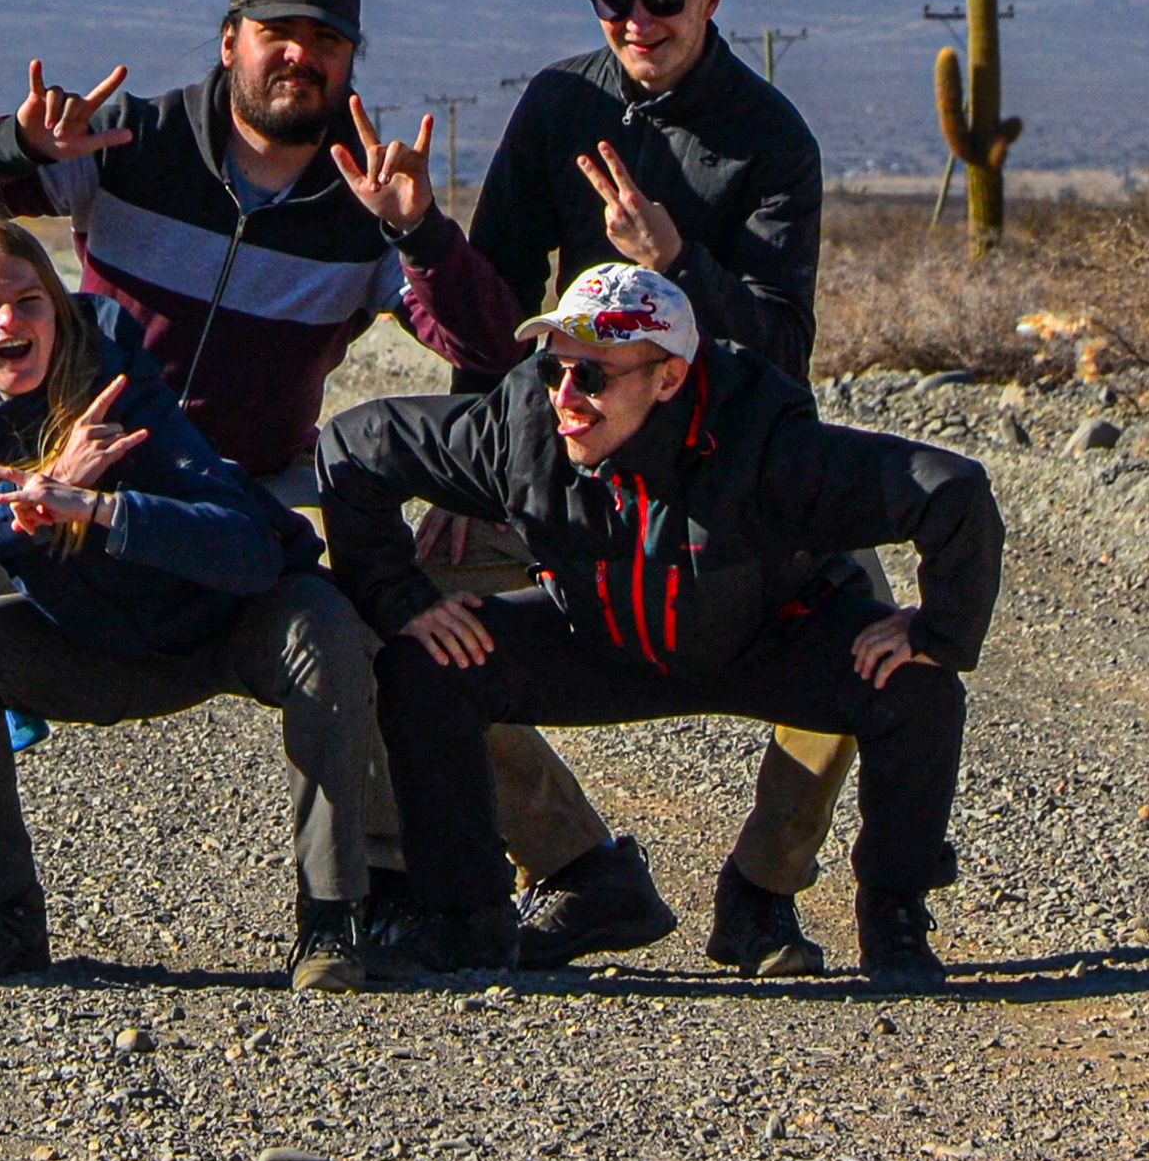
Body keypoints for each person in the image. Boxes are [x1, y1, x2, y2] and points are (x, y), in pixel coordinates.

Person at [324, 265, 1002, 990]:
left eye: (592, 376)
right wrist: (402, 599)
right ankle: (465, 925)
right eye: (556, 370)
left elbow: (952, 492)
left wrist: (936, 632)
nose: (565, 399)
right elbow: (355, 444)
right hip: (602, 641)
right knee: (423, 665)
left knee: (917, 686)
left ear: (669, 379)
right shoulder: (524, 426)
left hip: (761, 643)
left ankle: (894, 916)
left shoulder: (766, 443)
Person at [463, 0, 850, 974]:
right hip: (568, 448)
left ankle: (763, 891)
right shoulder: (555, 108)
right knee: (402, 608)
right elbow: (491, 297)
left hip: (723, 462)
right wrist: (470, 474)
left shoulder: (771, 141)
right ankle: (581, 868)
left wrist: (677, 260)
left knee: (859, 604)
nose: (638, 21)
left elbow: (780, 348)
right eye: (612, 0)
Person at [0, 221, 383, 990]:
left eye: (28, 301)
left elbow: (247, 549)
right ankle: (0, 914)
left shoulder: (121, 395)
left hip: (225, 630)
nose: (9, 323)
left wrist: (100, 509)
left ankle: (335, 918)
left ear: (58, 313)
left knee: (324, 623)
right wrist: (23, 502)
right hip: (91, 651)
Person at [0, 0, 525, 486]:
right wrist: (18, 144)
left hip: (241, 501)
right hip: (88, 476)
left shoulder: (368, 204)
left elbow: (491, 347)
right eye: (276, 32)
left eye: (325, 40)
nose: (298, 55)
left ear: (350, 61)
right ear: (230, 43)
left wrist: (420, 233)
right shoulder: (131, 144)